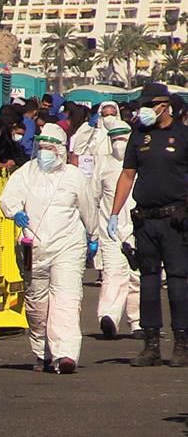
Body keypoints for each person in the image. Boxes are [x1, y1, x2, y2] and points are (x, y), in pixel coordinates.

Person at [0, 123, 98, 374]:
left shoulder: (74, 176)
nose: (44, 152)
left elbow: (88, 208)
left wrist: (93, 234)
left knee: (66, 297)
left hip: (68, 245)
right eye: (40, 147)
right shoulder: (27, 172)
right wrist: (15, 212)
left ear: (61, 150)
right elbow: (7, 198)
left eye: (49, 148)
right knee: (36, 303)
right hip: (33, 247)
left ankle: (65, 353)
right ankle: (43, 351)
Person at [110, 83, 188, 367]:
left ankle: (181, 343)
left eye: (147, 104)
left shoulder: (182, 135)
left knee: (178, 282)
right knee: (148, 281)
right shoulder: (139, 136)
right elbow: (127, 175)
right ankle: (151, 345)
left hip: (176, 219)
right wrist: (114, 213)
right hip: (146, 219)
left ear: (163, 105)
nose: (142, 110)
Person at [91, 118, 141, 339]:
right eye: (115, 138)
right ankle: (108, 317)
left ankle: (137, 322)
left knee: (136, 276)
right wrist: (92, 231)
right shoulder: (102, 163)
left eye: (123, 138)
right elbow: (91, 197)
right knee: (113, 274)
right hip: (110, 228)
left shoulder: (140, 162)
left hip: (138, 226)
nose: (119, 143)